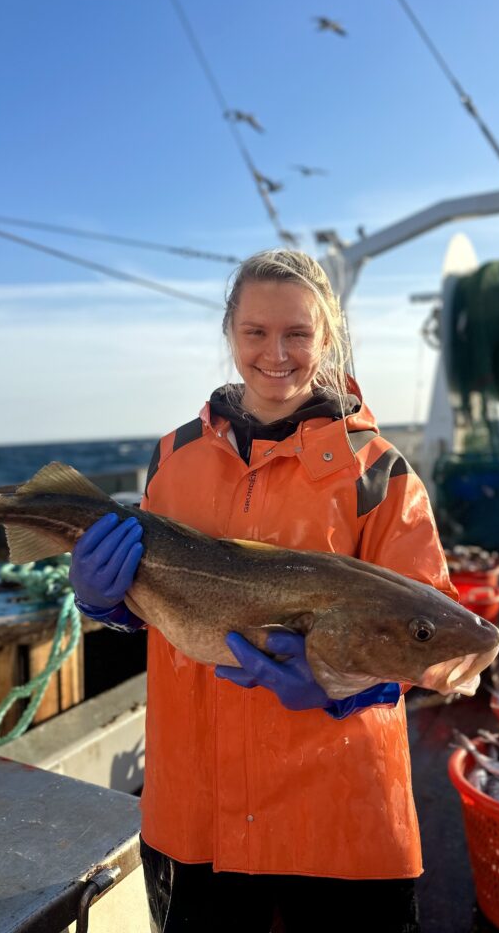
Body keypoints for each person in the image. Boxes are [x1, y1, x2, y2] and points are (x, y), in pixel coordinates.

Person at [71, 250, 457, 933]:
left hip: (342, 825)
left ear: (328, 338)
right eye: (255, 332)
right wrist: (105, 602)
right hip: (196, 821)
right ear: (230, 334)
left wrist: (359, 686)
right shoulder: (173, 459)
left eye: (298, 334)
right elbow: (151, 605)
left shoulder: (381, 475)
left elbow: (431, 637)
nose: (275, 353)